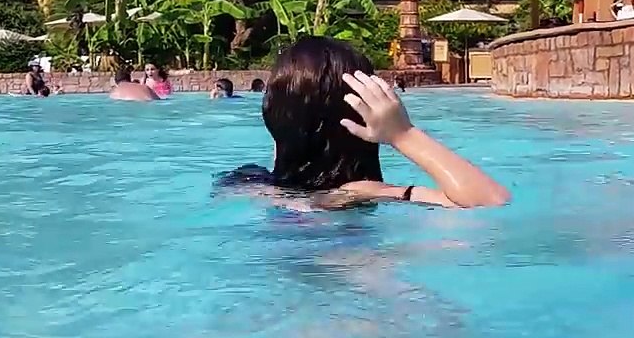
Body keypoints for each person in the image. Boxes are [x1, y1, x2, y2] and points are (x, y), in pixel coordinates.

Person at [217, 36, 510, 209]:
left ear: (273, 116)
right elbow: (490, 203)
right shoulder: (370, 194)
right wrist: (404, 135)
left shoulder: (248, 184)